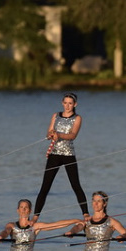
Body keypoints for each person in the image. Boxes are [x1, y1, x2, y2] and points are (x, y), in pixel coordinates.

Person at [33, 93, 90, 221]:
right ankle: (35, 216)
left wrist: (59, 135)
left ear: (75, 104)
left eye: (70, 103)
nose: (68, 106)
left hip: (68, 154)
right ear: (62, 103)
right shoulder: (55, 116)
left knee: (75, 184)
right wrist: (51, 134)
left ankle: (85, 213)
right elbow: (48, 132)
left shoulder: (77, 118)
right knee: (45, 186)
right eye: (66, 103)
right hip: (54, 154)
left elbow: (73, 135)